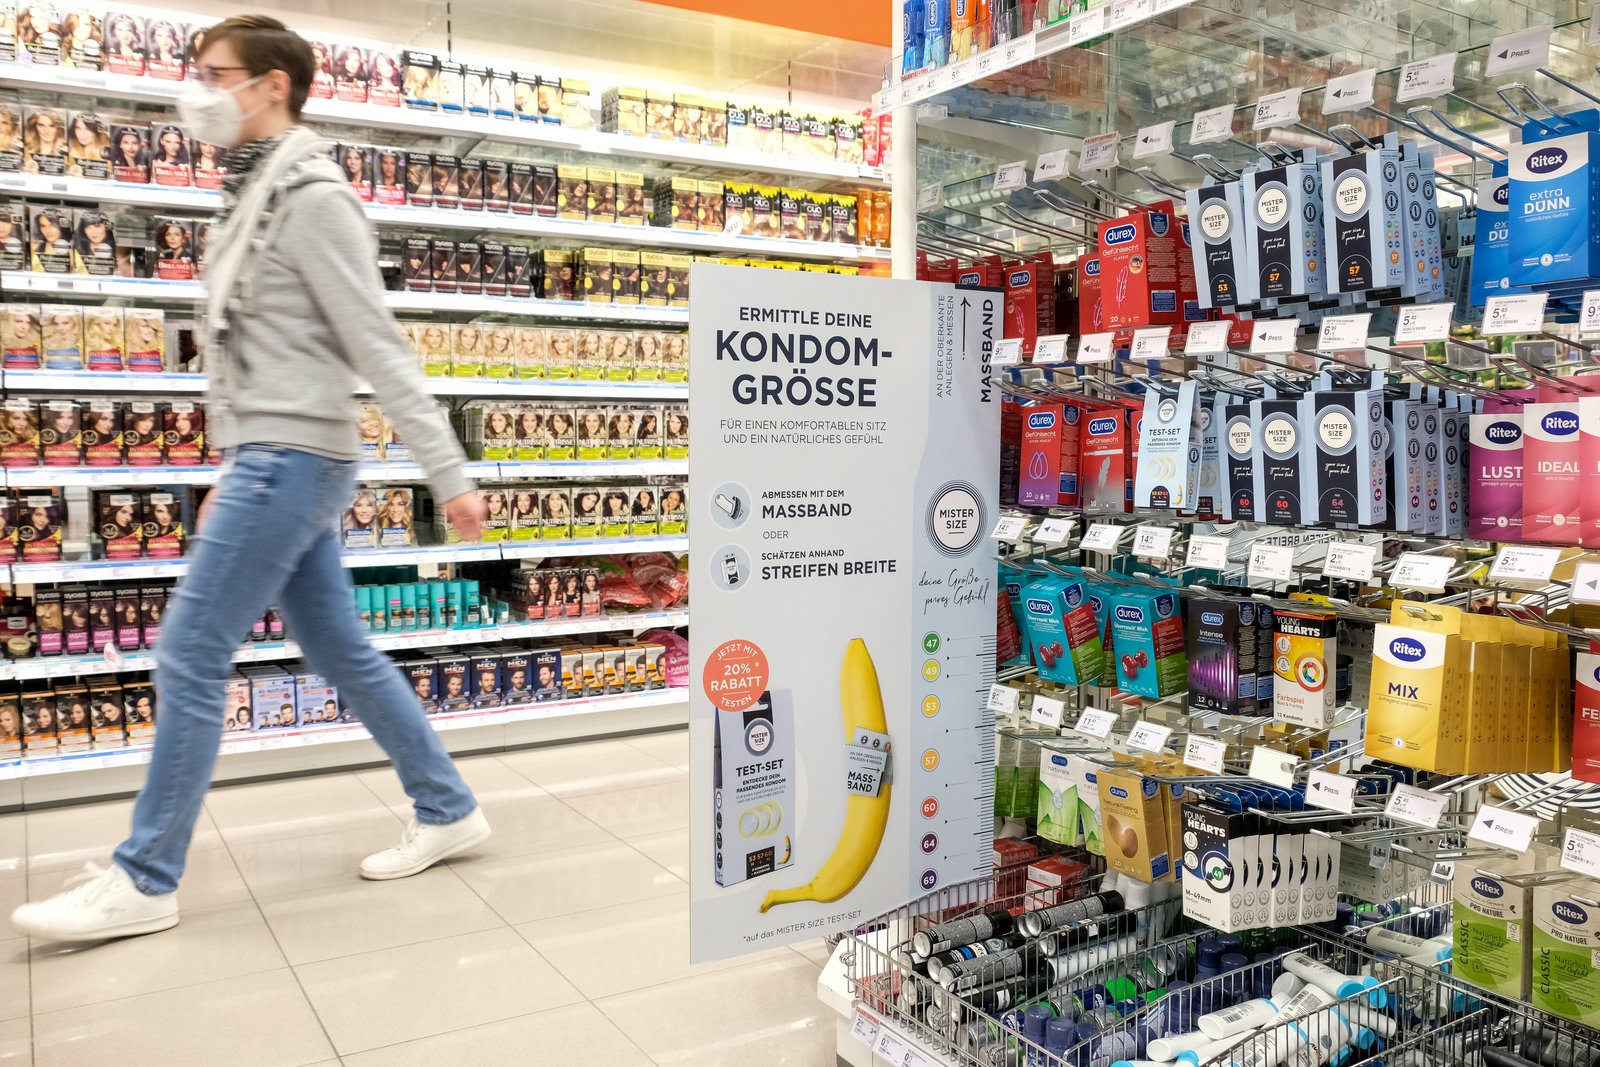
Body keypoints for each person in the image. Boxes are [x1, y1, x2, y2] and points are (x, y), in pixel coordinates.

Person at [13, 16, 490, 945]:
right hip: (275, 455)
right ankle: (449, 806)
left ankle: (146, 875)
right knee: (342, 651)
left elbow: (375, 340)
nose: (198, 89)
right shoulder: (258, 187)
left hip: (291, 457)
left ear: (272, 83)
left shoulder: (312, 195)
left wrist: (448, 471)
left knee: (190, 652)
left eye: (215, 73)